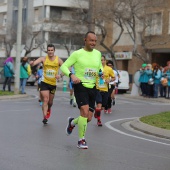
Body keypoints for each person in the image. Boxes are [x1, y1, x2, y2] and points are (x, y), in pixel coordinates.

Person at [60, 31, 102, 149]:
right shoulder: (77, 54)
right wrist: (72, 75)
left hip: (93, 86)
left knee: (88, 118)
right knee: (84, 111)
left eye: (95, 41)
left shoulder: (98, 54)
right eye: (91, 40)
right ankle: (81, 140)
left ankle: (72, 122)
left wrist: (101, 73)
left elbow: (100, 67)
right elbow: (63, 66)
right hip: (80, 85)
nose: (93, 43)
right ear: (85, 40)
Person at [30, 44, 63, 124]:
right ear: (47, 51)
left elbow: (67, 68)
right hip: (44, 82)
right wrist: (32, 63)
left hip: (53, 84)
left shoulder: (58, 60)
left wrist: (60, 75)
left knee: (50, 102)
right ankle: (44, 117)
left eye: (52, 50)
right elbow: (35, 63)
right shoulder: (44, 59)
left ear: (54, 51)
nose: (50, 52)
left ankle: (48, 109)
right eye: (49, 50)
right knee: (45, 99)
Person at [94, 56, 114, 126]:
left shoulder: (109, 69)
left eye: (102, 60)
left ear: (105, 61)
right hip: (97, 89)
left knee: (102, 107)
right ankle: (99, 120)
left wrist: (110, 80)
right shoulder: (95, 68)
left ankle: (96, 112)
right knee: (99, 104)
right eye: (100, 60)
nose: (101, 62)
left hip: (105, 89)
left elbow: (114, 77)